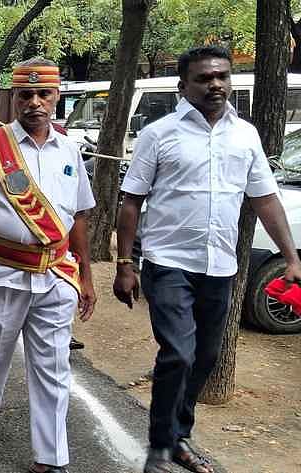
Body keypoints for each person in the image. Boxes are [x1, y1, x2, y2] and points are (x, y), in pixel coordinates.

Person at [113, 46, 301, 473]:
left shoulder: (245, 135)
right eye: (203, 78)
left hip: (220, 266)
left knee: (205, 358)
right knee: (178, 353)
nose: (215, 84)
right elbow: (131, 201)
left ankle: (179, 437)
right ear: (183, 87)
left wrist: (291, 257)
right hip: (168, 261)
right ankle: (160, 448)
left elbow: (266, 198)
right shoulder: (159, 135)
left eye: (221, 76)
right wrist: (125, 264)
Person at [0, 58, 96, 473]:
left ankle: (51, 457)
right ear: (14, 98)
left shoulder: (70, 149)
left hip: (56, 274)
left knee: (53, 366)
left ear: (56, 96)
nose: (35, 103)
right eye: (26, 95)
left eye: (43, 94)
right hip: (2, 272)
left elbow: (79, 215)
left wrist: (87, 276)